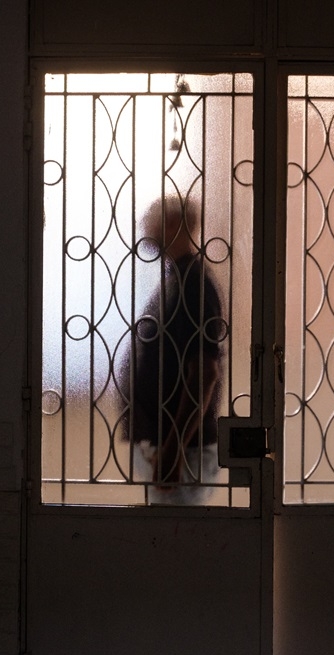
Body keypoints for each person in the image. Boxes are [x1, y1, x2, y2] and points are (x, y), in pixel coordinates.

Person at [117, 196, 225, 505]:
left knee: (176, 543)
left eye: (152, 221)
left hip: (182, 454)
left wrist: (172, 451)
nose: (144, 228)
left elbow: (205, 372)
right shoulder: (177, 279)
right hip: (172, 450)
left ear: (174, 224)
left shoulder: (193, 284)